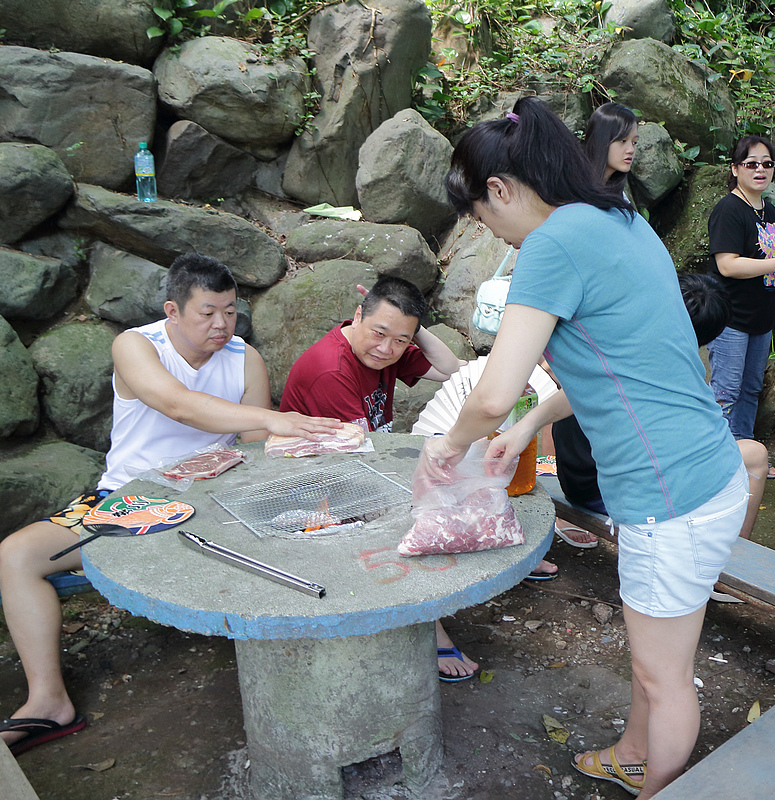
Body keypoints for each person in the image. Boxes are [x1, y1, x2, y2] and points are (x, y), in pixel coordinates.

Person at [428, 97, 748, 798]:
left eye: (488, 223)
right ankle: (635, 755)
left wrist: (446, 448)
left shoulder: (552, 244)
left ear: (502, 191)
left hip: (669, 495)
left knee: (666, 680)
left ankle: (656, 781)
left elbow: (487, 392)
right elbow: (623, 366)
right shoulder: (619, 219)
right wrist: (525, 425)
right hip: (707, 473)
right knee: (655, 663)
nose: (502, 240)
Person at [0, 254, 341, 754]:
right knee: (16, 554)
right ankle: (49, 702)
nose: (222, 324)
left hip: (216, 501)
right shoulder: (137, 346)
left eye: (230, 310)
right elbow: (177, 402)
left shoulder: (244, 358)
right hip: (128, 500)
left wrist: (313, 446)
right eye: (207, 312)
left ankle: (313, 663)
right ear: (173, 311)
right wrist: (274, 419)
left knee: (319, 518)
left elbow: (251, 445)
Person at [278, 275, 557, 682]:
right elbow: (360, 454)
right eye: (378, 333)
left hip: (361, 459)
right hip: (316, 480)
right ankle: (430, 624)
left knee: (465, 478)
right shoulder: (332, 369)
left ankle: (494, 558)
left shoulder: (384, 351)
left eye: (399, 340)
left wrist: (410, 327)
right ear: (358, 315)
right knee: (432, 499)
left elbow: (448, 369)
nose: (386, 349)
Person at [552, 274, 768, 546]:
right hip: (614, 493)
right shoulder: (671, 370)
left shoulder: (617, 338)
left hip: (576, 479)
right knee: (755, 456)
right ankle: (733, 561)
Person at [548, 101, 644, 550]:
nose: (630, 151)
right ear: (602, 140)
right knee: (579, 413)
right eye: (623, 141)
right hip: (583, 313)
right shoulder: (572, 193)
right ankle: (583, 503)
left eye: (635, 142)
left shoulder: (622, 193)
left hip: (615, 317)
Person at [707, 135, 775, 480]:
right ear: (735, 168)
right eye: (751, 163)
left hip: (761, 318)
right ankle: (718, 460)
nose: (760, 170)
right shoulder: (729, 209)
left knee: (750, 389)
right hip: (731, 317)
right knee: (726, 390)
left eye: (767, 163)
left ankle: (745, 454)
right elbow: (727, 264)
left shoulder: (768, 210)